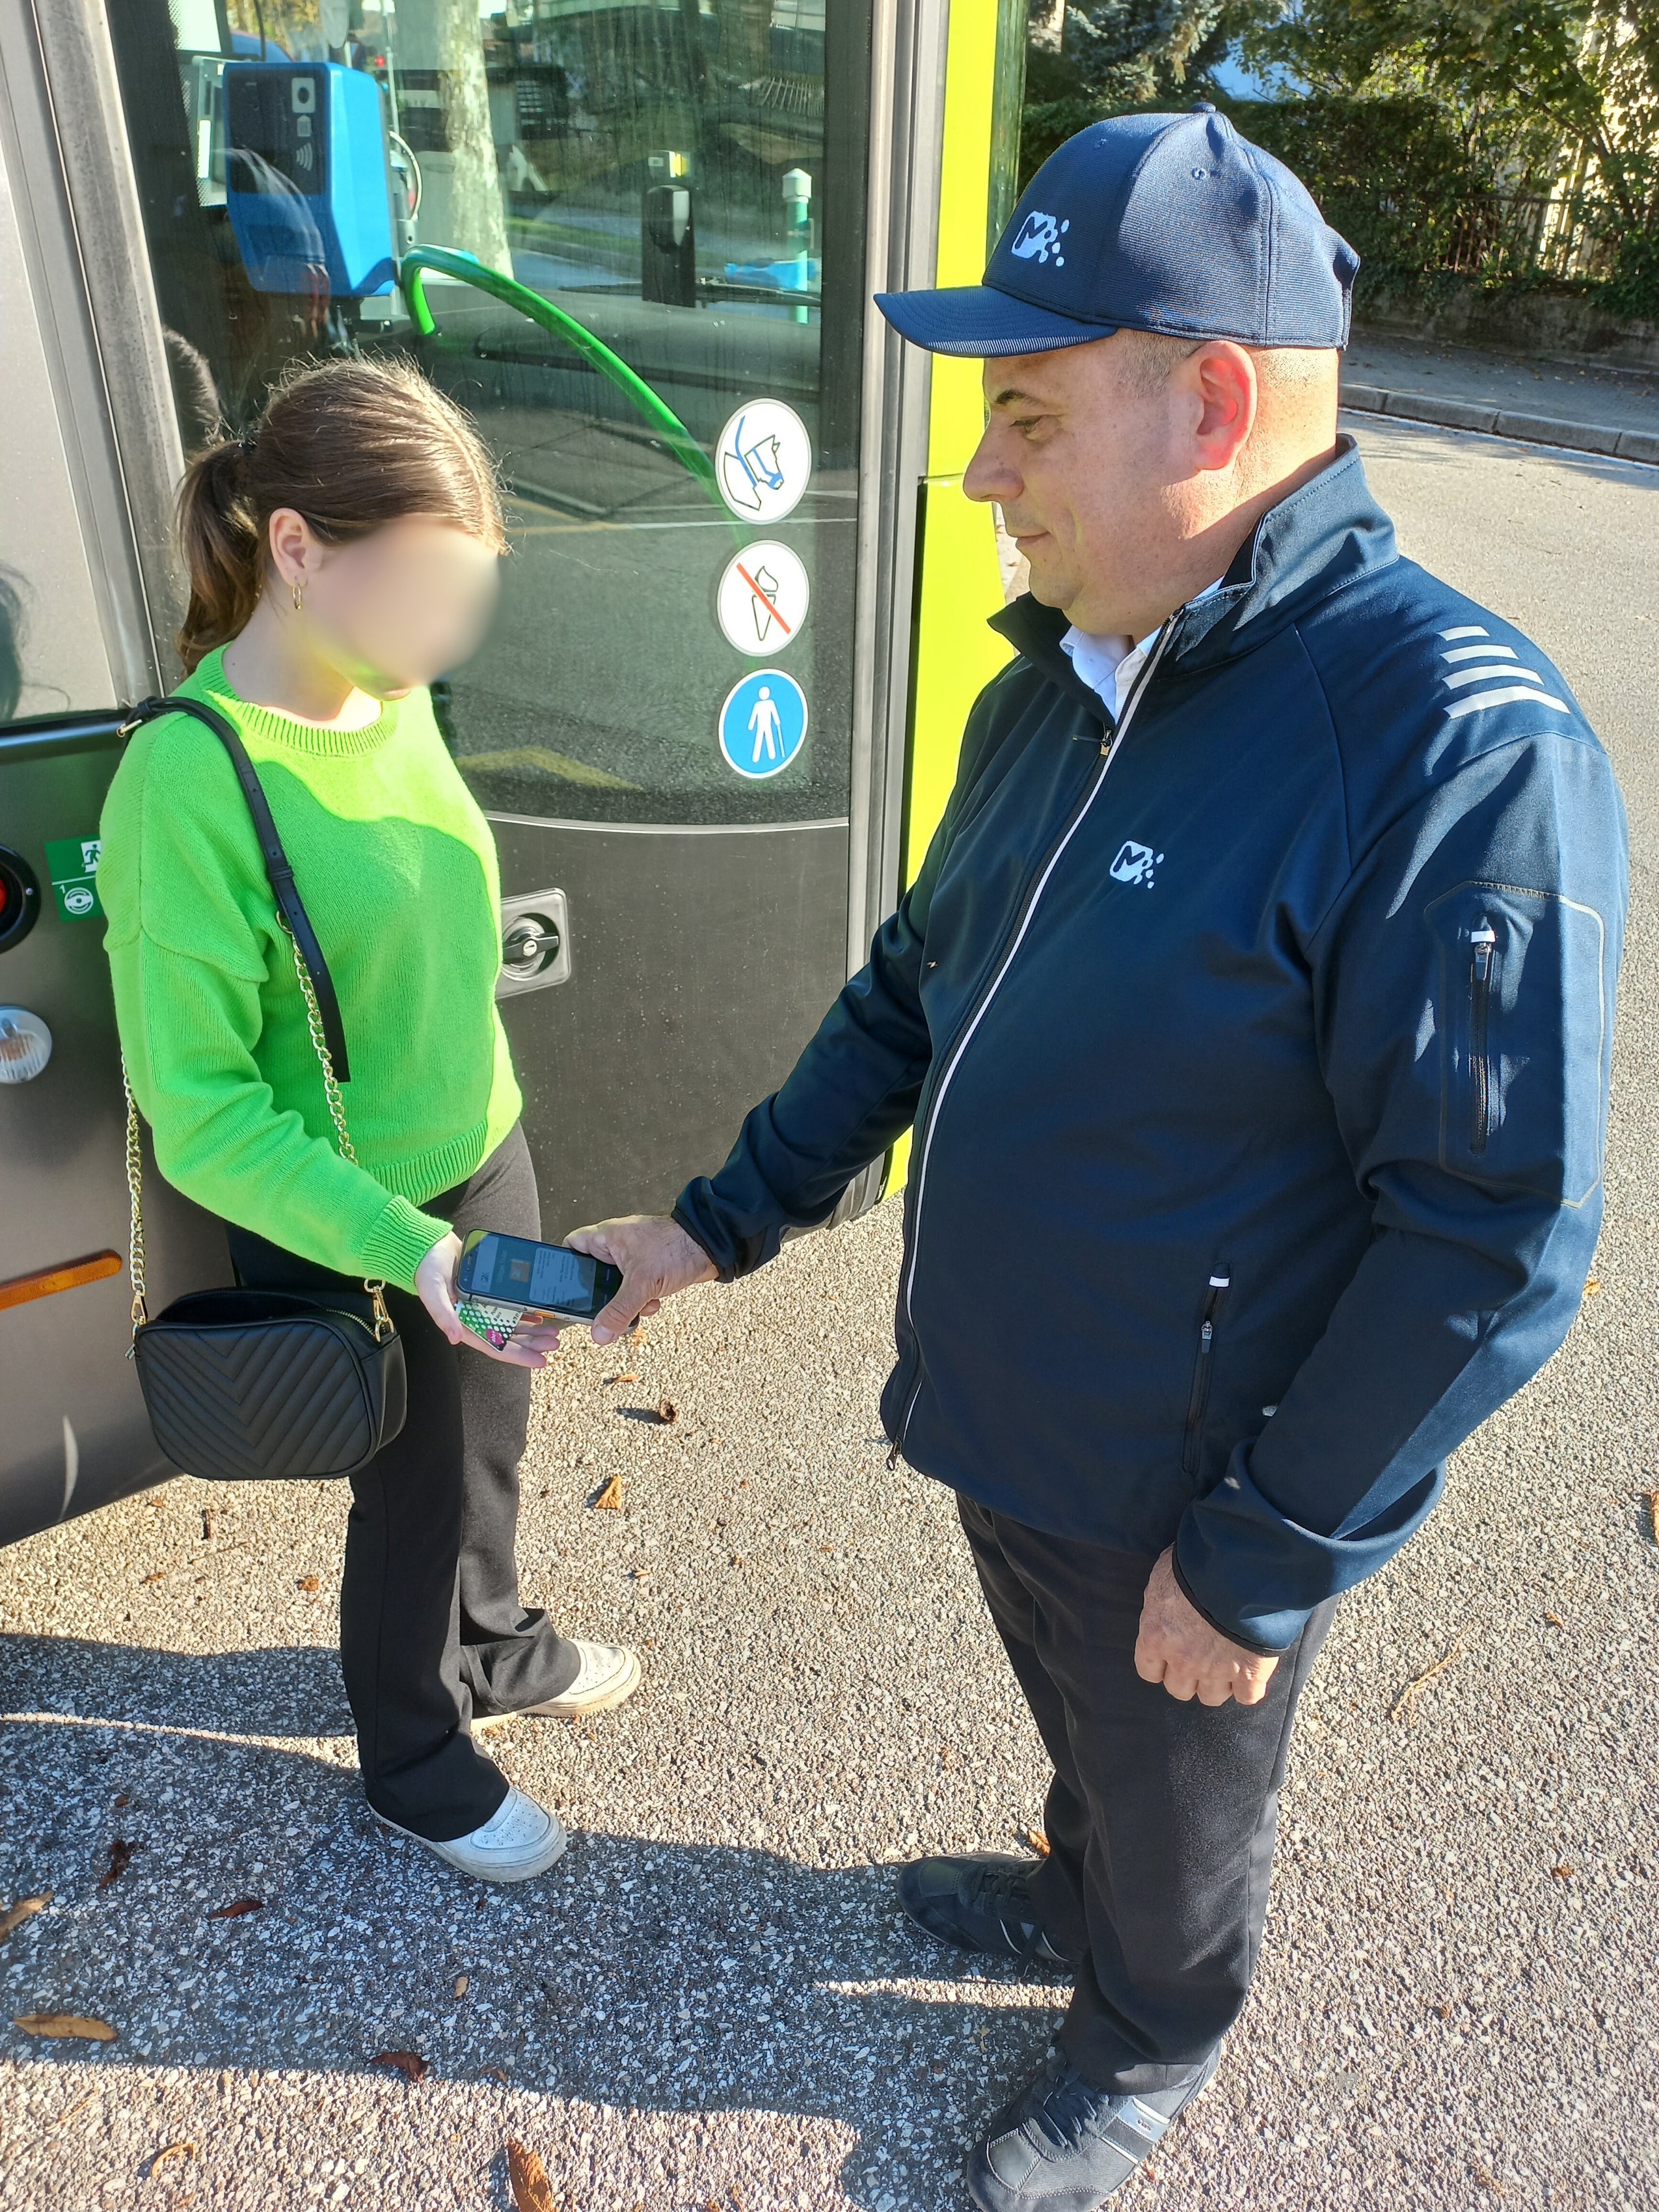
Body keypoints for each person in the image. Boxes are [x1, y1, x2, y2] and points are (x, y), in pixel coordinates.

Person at [566, 109, 1628, 2209]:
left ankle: (1148, 2033)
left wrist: (1270, 1553)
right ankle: (1080, 1885)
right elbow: (913, 989)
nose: (982, 475)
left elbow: (1488, 1231)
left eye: (1027, 418)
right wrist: (709, 1229)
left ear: (1212, 406)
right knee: (1086, 1723)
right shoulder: (1060, 680)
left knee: (1177, 1767)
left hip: (1199, 1474)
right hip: (1015, 1406)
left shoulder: (1451, 745)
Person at [99, 359, 641, 1885]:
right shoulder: (185, 780)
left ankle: (494, 1638)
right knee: (411, 1495)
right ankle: (413, 1754)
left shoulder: (391, 690)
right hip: (357, 1220)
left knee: (486, 1448)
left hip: (482, 1156)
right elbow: (201, 1113)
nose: (450, 632)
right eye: (425, 589)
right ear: (296, 547)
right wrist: (411, 1249)